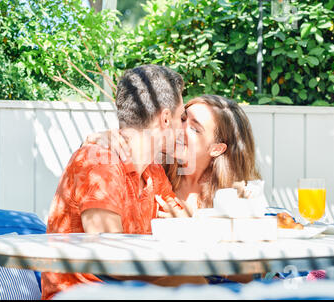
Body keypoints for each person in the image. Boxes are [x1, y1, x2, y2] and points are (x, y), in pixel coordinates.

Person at [41, 64, 206, 300]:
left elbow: (184, 230)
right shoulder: (100, 162)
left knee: (195, 282)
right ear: (166, 119)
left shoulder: (154, 172)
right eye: (181, 118)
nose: (184, 128)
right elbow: (113, 260)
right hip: (86, 296)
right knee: (193, 283)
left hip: (126, 292)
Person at [87, 94, 262, 283]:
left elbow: (247, 276)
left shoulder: (235, 196)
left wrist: (194, 236)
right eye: (183, 119)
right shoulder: (151, 170)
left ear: (216, 149)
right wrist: (100, 138)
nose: (180, 129)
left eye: (195, 129)